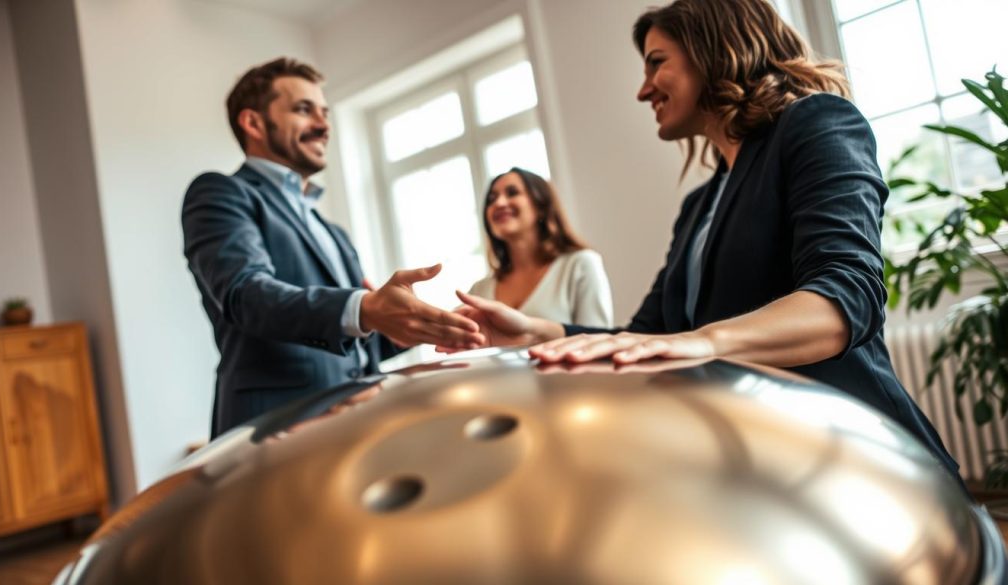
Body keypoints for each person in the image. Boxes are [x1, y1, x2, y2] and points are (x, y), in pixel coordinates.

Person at [445, 0, 960, 477]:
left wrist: (703, 343)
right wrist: (537, 334)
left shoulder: (817, 121)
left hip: (859, 451)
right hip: (762, 459)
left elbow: (844, 301)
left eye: (656, 63)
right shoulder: (700, 205)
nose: (643, 89)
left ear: (713, 51)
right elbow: (647, 333)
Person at [183, 57, 483, 438]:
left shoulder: (334, 232)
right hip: (272, 430)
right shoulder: (220, 193)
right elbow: (247, 294)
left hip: (354, 427)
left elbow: (355, 340)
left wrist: (413, 327)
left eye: (324, 113)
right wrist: (368, 308)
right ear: (253, 123)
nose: (324, 126)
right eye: (303, 110)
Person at [468, 167, 613, 328]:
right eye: (491, 199)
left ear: (541, 206)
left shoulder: (580, 264)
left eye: (513, 192)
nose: (499, 203)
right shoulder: (479, 290)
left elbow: (597, 340)